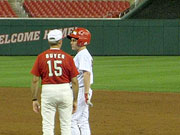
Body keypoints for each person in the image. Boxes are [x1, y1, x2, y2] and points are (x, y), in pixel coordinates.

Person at [30, 29, 79, 135]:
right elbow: (74, 81)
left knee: (48, 126)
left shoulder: (41, 57)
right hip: (65, 90)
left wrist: (34, 99)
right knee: (66, 125)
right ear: (60, 41)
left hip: (48, 91)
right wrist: (75, 100)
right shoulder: (68, 57)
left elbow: (35, 80)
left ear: (49, 41)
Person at [67, 27, 93, 135]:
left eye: (74, 40)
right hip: (83, 90)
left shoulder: (83, 55)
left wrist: (86, 93)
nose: (71, 42)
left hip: (81, 91)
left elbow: (86, 73)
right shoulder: (82, 54)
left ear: (81, 41)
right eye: (71, 40)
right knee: (82, 121)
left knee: (72, 119)